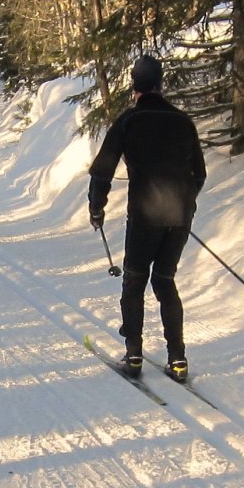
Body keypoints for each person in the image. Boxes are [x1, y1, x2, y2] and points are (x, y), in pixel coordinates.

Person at [87, 55, 206, 382]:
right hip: (179, 218)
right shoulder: (183, 121)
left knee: (135, 279)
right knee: (165, 281)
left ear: (134, 86)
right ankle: (178, 359)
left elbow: (102, 170)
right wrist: (184, 203)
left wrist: (96, 207)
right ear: (160, 84)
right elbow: (199, 174)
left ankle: (134, 354)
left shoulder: (129, 121)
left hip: (144, 216)